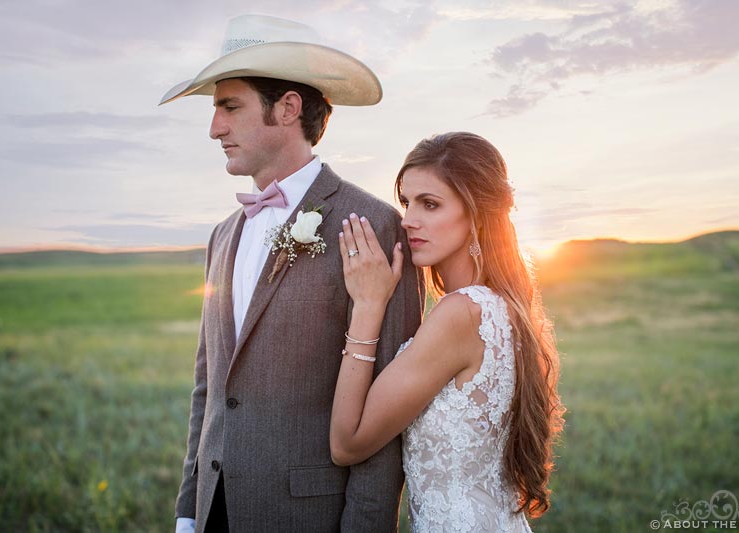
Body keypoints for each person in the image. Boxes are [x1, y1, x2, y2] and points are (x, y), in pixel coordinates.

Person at [160, 15, 424, 532]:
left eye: (229, 106)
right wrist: (189, 511)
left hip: (307, 516)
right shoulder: (222, 235)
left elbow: (385, 409)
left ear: (287, 108)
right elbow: (208, 387)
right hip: (213, 511)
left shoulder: (373, 223)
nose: (214, 127)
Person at [330, 132, 565, 532]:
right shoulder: (504, 306)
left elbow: (347, 443)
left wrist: (368, 307)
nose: (408, 220)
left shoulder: (461, 313)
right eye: (407, 202)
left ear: (476, 213)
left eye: (430, 204)